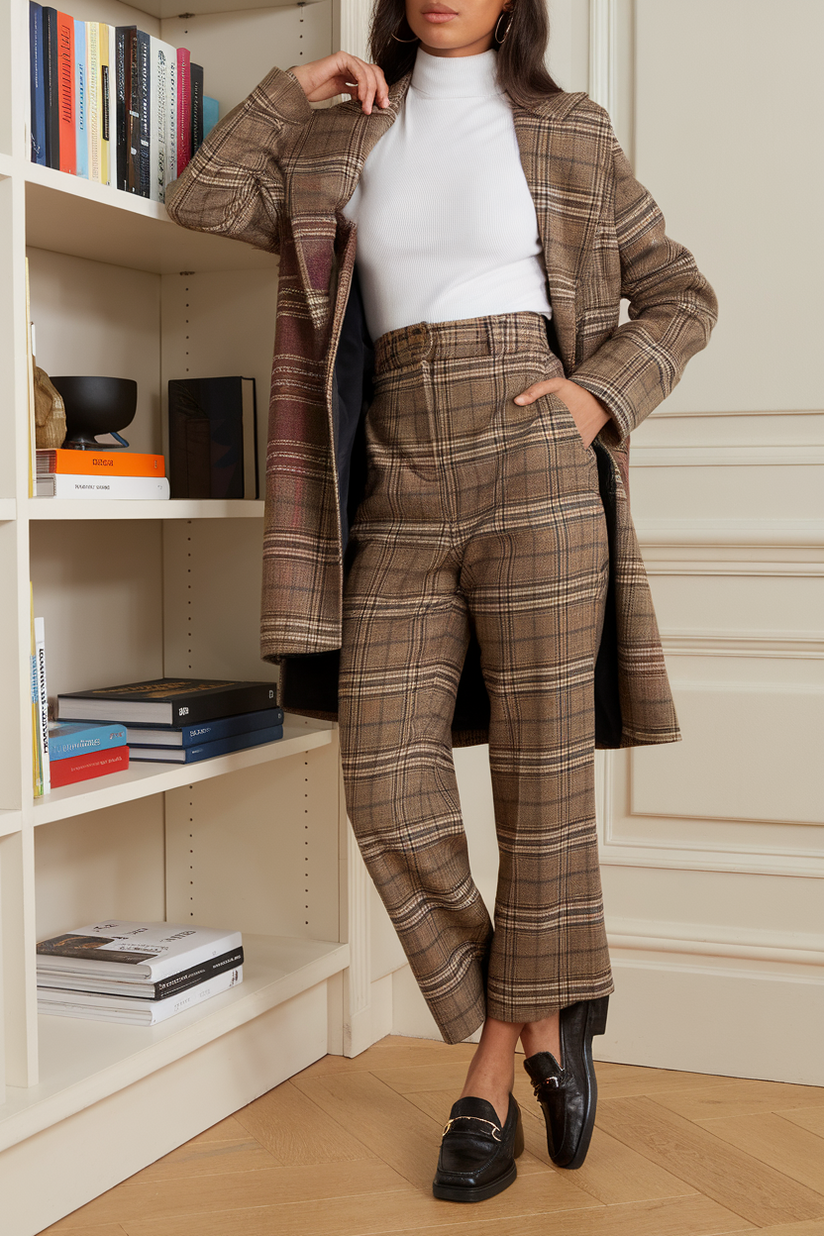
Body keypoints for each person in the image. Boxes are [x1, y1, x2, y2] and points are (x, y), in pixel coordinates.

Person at [166, 0, 717, 1205]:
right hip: (394, 474)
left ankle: (481, 1080)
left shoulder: (567, 131)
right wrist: (289, 88)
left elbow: (679, 294)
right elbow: (199, 201)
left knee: (539, 785)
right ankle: (543, 1015)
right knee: (383, 782)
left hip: (534, 456)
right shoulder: (341, 138)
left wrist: (593, 398)